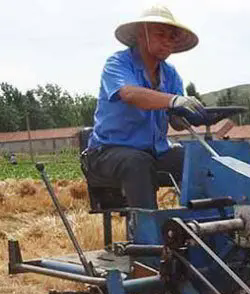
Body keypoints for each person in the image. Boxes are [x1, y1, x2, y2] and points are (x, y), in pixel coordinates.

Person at [84, 6, 207, 209]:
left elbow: (175, 122)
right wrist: (174, 100)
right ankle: (147, 233)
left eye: (172, 37)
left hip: (154, 152)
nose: (167, 41)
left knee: (196, 160)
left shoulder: (171, 74)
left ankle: (204, 225)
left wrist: (191, 115)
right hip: (108, 152)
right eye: (161, 34)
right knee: (137, 163)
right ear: (142, 35)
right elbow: (130, 94)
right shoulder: (118, 63)